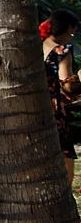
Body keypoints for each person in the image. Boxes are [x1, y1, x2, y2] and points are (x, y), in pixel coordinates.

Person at [41, 10, 79, 186]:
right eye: (73, 32)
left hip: (35, 106)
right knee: (64, 152)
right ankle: (65, 192)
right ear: (67, 29)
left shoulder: (36, 45)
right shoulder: (61, 51)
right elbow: (67, 85)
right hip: (55, 109)